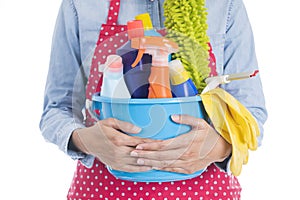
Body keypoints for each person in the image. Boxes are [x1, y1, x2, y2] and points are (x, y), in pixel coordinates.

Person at [40, 0, 268, 199]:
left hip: (205, 191)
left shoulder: (225, 5)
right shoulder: (80, 4)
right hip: (103, 190)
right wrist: (85, 140)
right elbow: (55, 109)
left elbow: (251, 113)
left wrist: (218, 147)